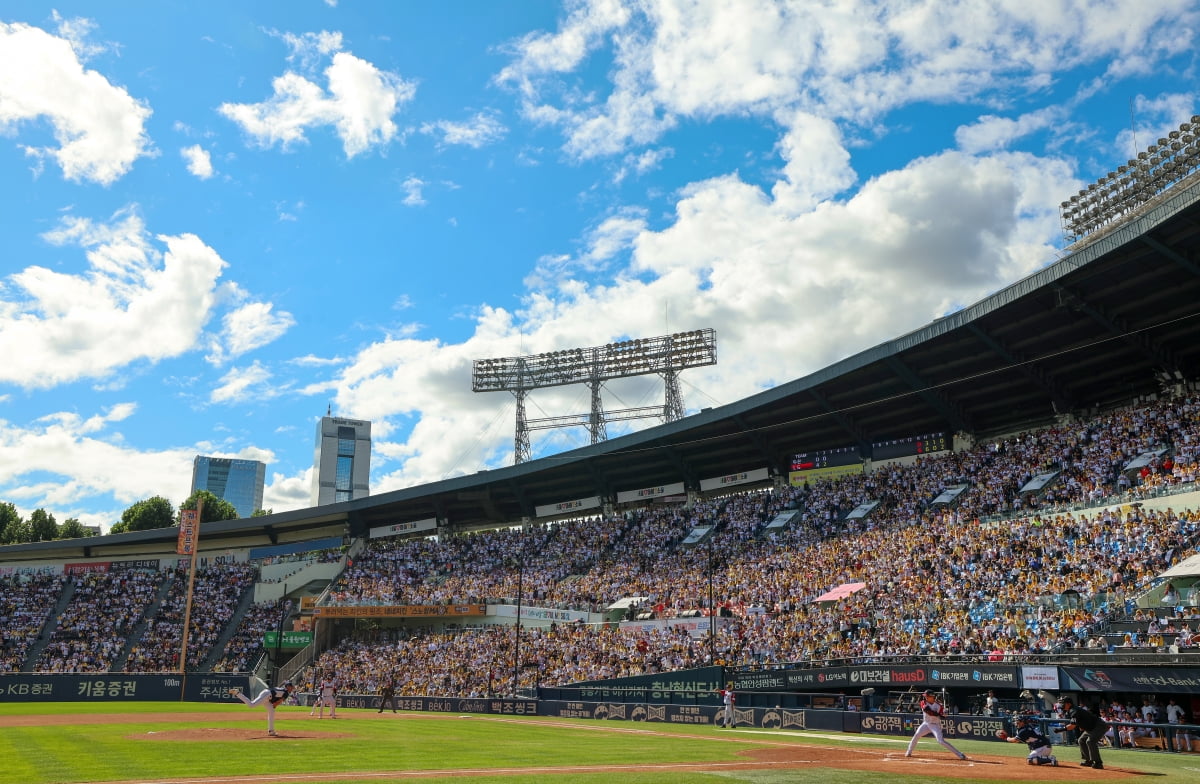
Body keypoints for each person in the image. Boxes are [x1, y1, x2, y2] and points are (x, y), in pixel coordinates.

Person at [905, 689, 967, 760]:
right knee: (916, 735)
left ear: (932, 696)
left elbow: (943, 717)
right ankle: (909, 751)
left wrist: (944, 714)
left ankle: (960, 754)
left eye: (927, 696)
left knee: (940, 741)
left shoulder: (939, 706)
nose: (925, 697)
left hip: (935, 725)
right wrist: (939, 714)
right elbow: (929, 711)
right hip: (926, 724)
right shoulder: (923, 702)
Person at [230, 680, 295, 737]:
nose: (292, 688)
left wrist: (273, 705)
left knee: (271, 710)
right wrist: (275, 705)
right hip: (267, 695)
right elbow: (278, 702)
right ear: (288, 687)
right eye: (291, 687)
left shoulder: (281, 689)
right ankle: (237, 693)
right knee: (251, 705)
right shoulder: (286, 693)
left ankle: (271, 731)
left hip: (267, 695)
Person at [1061, 696, 1109, 769]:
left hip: (1099, 726)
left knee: (1090, 741)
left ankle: (1098, 763)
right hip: (1090, 727)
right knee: (1081, 740)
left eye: (1063, 703)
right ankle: (1088, 760)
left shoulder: (1074, 710)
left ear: (1068, 704)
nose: (1061, 705)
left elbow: (1072, 726)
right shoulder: (1071, 710)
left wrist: (1060, 730)